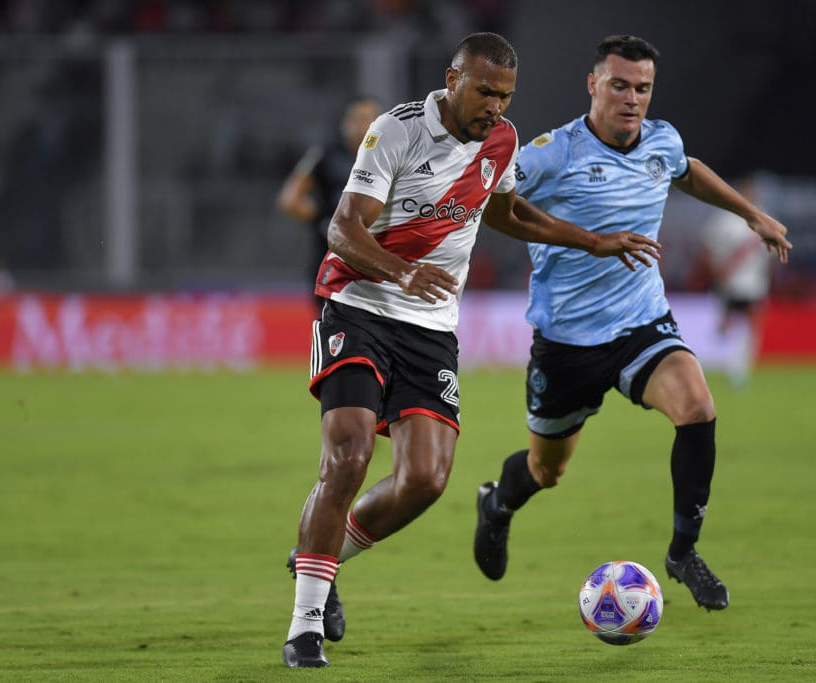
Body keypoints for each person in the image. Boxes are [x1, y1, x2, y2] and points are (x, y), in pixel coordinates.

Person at [282, 32, 661, 668]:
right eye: (486, 91)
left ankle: (316, 561)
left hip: (431, 328)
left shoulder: (502, 139)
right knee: (347, 454)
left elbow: (509, 211)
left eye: (506, 96)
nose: (496, 106)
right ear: (453, 80)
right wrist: (401, 272)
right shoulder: (396, 131)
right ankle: (305, 625)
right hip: (360, 305)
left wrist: (588, 240)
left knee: (426, 480)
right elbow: (342, 228)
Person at [472, 35, 792, 613]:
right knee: (547, 470)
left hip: (641, 324)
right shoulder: (553, 153)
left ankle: (682, 552)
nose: (632, 98)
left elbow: (685, 170)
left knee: (698, 407)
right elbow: (498, 204)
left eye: (642, 88)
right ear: (593, 85)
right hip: (567, 341)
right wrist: (589, 242)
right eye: (619, 85)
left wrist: (752, 214)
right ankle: (497, 504)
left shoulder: (661, 140)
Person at [277, 95, 383, 307]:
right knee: (332, 326)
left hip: (376, 259)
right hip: (332, 260)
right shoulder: (325, 154)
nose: (364, 127)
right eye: (358, 119)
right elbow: (290, 199)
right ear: (345, 123)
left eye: (371, 120)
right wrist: (323, 222)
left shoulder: (388, 156)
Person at [700, 175, 776, 388]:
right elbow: (706, 250)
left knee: (752, 325)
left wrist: (769, 276)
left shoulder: (762, 217)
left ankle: (739, 368)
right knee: (726, 326)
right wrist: (716, 272)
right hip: (731, 283)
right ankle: (720, 362)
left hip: (755, 283)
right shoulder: (724, 219)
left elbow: (769, 255)